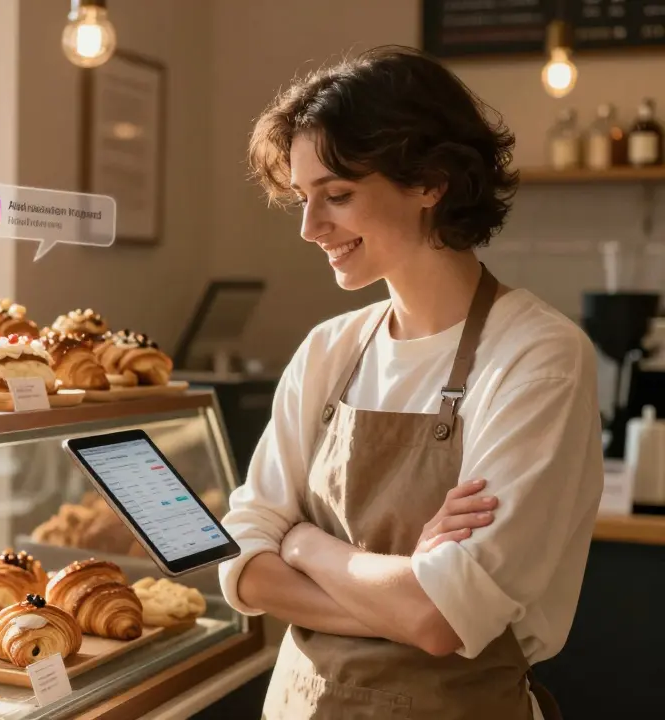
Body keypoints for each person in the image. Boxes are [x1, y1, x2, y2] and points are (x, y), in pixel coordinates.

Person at [219, 46, 602, 719]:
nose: (310, 228)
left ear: (430, 181)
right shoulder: (328, 350)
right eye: (304, 199)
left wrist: (304, 543)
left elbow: (438, 618)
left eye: (337, 195)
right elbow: (243, 566)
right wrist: (399, 596)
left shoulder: (538, 357)